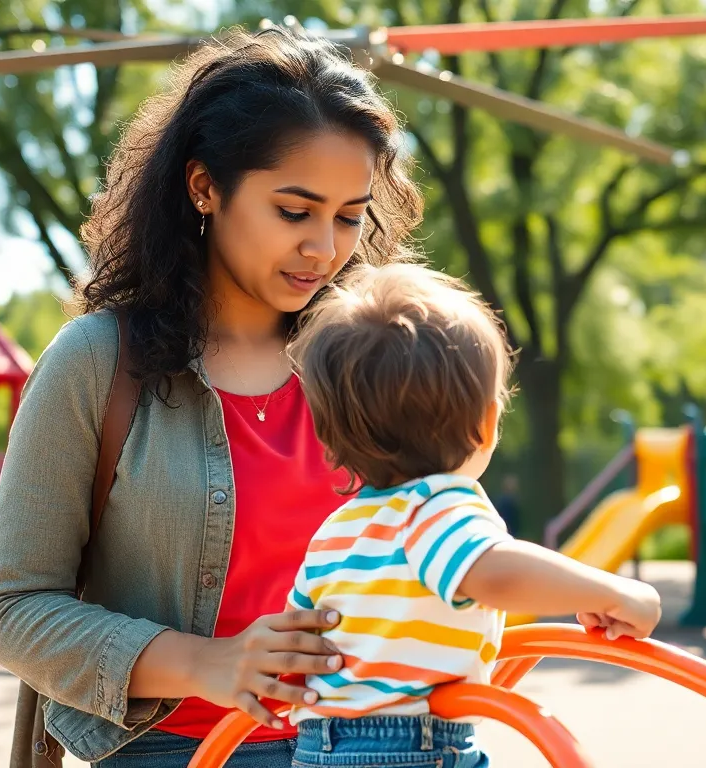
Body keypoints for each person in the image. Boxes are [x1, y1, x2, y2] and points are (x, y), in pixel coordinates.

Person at [0, 27, 426, 768]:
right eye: (294, 210)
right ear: (204, 186)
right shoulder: (96, 363)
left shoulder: (370, 363)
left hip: (377, 744)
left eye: (349, 216)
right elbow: (12, 609)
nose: (325, 247)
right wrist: (202, 663)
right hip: (173, 751)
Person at [282, 263, 663, 767]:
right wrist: (614, 592)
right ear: (487, 424)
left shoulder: (337, 531)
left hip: (318, 747)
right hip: (408, 746)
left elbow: (294, 641)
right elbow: (495, 572)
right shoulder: (437, 505)